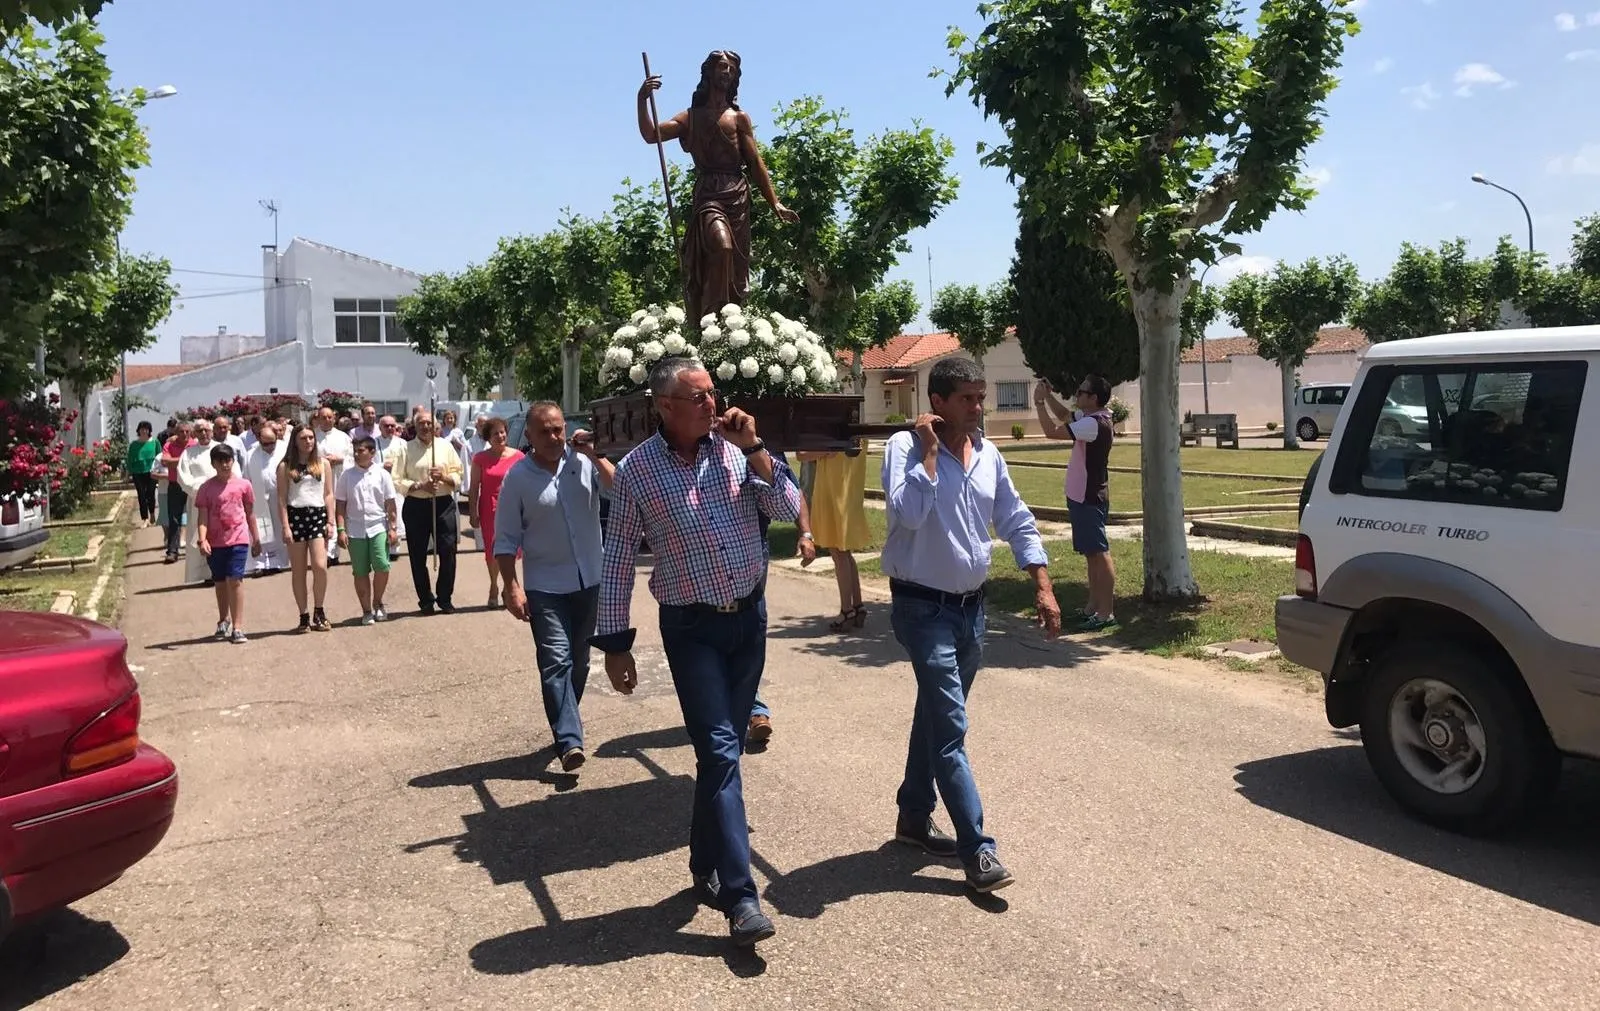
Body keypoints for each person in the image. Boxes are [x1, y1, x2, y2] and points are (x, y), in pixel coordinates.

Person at [591, 357, 800, 947]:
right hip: (692, 630)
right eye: (699, 396)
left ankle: (703, 861)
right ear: (665, 406)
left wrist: (756, 448)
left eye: (713, 393)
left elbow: (788, 510)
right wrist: (615, 644)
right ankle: (741, 897)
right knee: (720, 750)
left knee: (720, 757)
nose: (713, 404)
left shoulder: (736, 450)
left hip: (748, 622)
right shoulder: (637, 471)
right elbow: (618, 558)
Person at [881, 357, 1062, 894]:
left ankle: (914, 816)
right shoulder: (904, 449)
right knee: (950, 730)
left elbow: (1015, 518)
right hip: (921, 609)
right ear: (937, 402)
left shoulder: (988, 453)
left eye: (981, 396)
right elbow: (907, 515)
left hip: (971, 611)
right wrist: (929, 456)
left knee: (936, 717)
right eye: (967, 398)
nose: (978, 407)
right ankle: (977, 849)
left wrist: (1043, 583)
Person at [637, 51, 798, 324]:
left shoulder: (739, 118)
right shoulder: (690, 118)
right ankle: (708, 320)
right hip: (708, 194)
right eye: (723, 67)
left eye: (732, 69)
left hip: (737, 194)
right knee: (721, 246)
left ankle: (727, 324)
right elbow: (652, 135)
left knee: (735, 266)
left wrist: (775, 202)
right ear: (709, 72)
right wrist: (642, 99)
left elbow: (755, 162)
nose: (727, 72)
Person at [496, 402, 614, 769]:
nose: (553, 437)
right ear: (529, 436)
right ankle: (569, 739)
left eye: (558, 429)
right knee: (556, 660)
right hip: (545, 586)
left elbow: (618, 488)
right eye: (544, 431)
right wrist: (511, 587)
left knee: (579, 662)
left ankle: (566, 720)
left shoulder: (583, 462)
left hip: (590, 579)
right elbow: (505, 539)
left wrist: (595, 455)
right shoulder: (518, 478)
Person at [1035, 376, 1118, 630]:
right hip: (1083, 494)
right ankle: (1093, 607)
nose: (1077, 395)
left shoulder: (1093, 423)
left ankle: (1106, 613)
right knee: (1091, 554)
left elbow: (1051, 431)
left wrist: (1039, 403)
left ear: (1094, 398)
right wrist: (1049, 395)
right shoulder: (1091, 417)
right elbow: (1064, 415)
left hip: (1088, 495)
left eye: (1081, 392)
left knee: (1099, 553)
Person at [746, 449, 814, 746]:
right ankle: (744, 706)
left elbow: (793, 491)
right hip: (702, 558)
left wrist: (806, 534)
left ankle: (752, 707)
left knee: (748, 631)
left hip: (753, 551)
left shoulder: (761, 448)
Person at [798, 440, 871, 631]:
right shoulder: (858, 435)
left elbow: (802, 454)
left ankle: (847, 610)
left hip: (832, 493)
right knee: (846, 553)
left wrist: (823, 450)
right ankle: (858, 605)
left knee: (838, 554)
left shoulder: (832, 435)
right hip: (850, 495)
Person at [395, 410, 463, 615]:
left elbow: (458, 474)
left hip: (443, 504)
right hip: (416, 505)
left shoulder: (445, 446)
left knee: (448, 551)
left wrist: (444, 477)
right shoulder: (405, 449)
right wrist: (419, 485)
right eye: (421, 423)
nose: (425, 427)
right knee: (417, 555)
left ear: (435, 426)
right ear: (415, 426)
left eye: (429, 423)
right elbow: (397, 479)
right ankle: (425, 599)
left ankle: (445, 597)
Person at [195, 443, 261, 644]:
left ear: (233, 461)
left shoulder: (244, 485)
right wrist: (202, 539)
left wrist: (256, 538)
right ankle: (224, 619)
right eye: (220, 461)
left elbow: (250, 514)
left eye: (228, 460)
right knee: (220, 582)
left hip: (238, 539)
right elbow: (203, 517)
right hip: (215, 542)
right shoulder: (206, 488)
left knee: (235, 580)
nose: (225, 465)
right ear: (213, 464)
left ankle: (238, 627)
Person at [336, 436, 400, 625]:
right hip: (355, 530)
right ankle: (366, 611)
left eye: (361, 450)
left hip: (378, 527)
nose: (357, 454)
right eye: (355, 450)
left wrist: (393, 528)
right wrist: (341, 529)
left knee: (382, 565)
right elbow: (340, 505)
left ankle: (378, 602)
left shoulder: (382, 475)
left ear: (372, 452)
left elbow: (390, 503)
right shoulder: (347, 476)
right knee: (360, 571)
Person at [277, 423, 335, 632]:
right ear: (295, 441)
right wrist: (285, 526)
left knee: (320, 566)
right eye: (303, 438)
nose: (308, 441)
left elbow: (328, 494)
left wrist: (330, 521)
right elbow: (282, 498)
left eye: (311, 437)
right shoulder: (285, 466)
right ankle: (303, 615)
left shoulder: (323, 463)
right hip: (296, 516)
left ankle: (319, 610)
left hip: (318, 515)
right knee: (299, 570)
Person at [469, 416, 522, 607]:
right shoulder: (480, 459)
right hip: (489, 509)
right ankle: (493, 584)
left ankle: (509, 587)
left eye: (502, 432)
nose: (500, 436)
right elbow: (474, 487)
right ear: (488, 438)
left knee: (512, 549)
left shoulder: (518, 456)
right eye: (495, 434)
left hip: (513, 510)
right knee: (493, 552)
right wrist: (473, 512)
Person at [244, 419, 290, 575]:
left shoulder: (285, 449)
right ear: (259, 440)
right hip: (259, 498)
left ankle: (279, 562)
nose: (270, 447)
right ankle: (262, 563)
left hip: (280, 497)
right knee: (262, 530)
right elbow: (246, 478)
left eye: (272, 443)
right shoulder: (250, 454)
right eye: (266, 444)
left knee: (279, 529)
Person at [178, 422, 219, 586]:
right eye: (199, 430)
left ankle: (221, 569)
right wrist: (200, 489)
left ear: (212, 432)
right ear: (195, 433)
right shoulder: (188, 453)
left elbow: (232, 469)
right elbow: (183, 477)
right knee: (200, 533)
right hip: (198, 500)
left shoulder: (220, 449)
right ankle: (206, 573)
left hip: (220, 499)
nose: (203, 433)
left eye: (206, 430)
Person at [314, 406, 354, 566]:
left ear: (334, 418)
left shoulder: (343, 437)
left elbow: (353, 457)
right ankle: (328, 553)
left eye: (329, 417)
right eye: (323, 417)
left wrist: (340, 459)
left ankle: (337, 550)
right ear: (318, 419)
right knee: (326, 515)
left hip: (339, 478)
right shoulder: (313, 436)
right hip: (320, 481)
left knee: (340, 513)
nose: (327, 420)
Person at [158, 421, 195, 563]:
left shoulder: (195, 444)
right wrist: (186, 459)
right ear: (176, 433)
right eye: (181, 432)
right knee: (174, 518)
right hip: (175, 485)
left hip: (192, 485)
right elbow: (165, 461)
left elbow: (171, 462)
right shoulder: (169, 445)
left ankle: (196, 549)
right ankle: (172, 551)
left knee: (196, 517)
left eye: (187, 431)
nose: (184, 434)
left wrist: (175, 461)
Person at [375, 416, 408, 561]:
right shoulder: (373, 443)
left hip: (396, 484)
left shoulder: (402, 443)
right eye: (386, 426)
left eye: (392, 426)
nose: (390, 429)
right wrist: (382, 465)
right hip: (378, 484)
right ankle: (381, 545)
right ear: (380, 427)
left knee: (396, 513)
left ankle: (395, 548)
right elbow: (367, 462)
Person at [125, 420, 160, 527]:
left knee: (150, 493)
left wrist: (160, 471)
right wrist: (128, 472)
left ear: (149, 430)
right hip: (137, 472)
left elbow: (159, 457)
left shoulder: (155, 442)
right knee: (141, 495)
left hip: (151, 472)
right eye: (142, 429)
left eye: (146, 429)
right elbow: (130, 459)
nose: (144, 431)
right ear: (138, 430)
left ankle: (152, 513)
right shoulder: (134, 444)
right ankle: (145, 518)